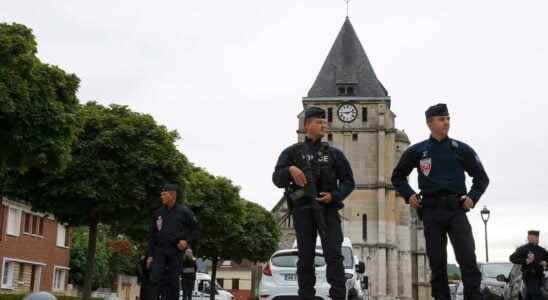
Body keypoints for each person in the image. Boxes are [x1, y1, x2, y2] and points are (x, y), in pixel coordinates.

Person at [391, 103, 489, 300]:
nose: (446, 123)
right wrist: (409, 195)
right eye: (442, 119)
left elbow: (481, 177)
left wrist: (473, 197)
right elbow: (397, 177)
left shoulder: (461, 149)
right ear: (430, 123)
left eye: (448, 119)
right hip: (430, 211)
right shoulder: (417, 151)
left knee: (467, 258)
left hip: (456, 210)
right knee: (436, 263)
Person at [272, 107, 355, 300]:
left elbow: (349, 182)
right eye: (319, 122)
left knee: (334, 256)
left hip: (328, 211)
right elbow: (277, 179)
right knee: (306, 259)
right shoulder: (292, 153)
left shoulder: (334, 154)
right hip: (303, 212)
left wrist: (334, 196)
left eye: (324, 122)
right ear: (307, 124)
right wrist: (290, 170)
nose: (323, 125)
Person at [147, 182, 200, 300]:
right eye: (161, 194)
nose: (161, 196)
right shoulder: (158, 213)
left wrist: (186, 241)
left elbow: (195, 230)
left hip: (175, 252)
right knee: (154, 279)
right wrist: (150, 255)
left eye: (164, 194)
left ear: (172, 195)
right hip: (159, 251)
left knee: (172, 282)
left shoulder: (184, 212)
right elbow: (152, 235)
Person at [510, 230, 548, 300]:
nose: (529, 238)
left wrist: (546, 263)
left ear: (537, 238)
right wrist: (525, 261)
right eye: (529, 237)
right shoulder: (523, 249)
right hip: (529, 276)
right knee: (536, 295)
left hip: (540, 278)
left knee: (529, 296)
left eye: (534, 237)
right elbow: (512, 258)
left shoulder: (542, 250)